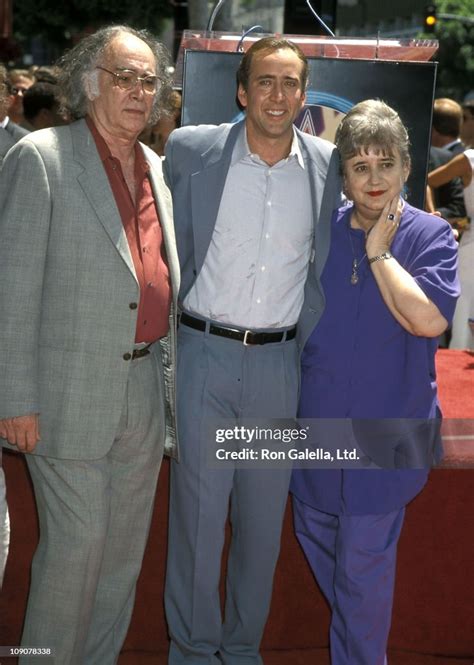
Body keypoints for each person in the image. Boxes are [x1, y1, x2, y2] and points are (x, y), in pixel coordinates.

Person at [0, 25, 179, 664]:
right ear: (88, 83)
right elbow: (11, 289)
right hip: (63, 395)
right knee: (74, 555)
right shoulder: (41, 157)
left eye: (147, 80)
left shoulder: (157, 167)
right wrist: (14, 398)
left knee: (120, 561)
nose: (136, 91)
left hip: (141, 395)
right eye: (122, 76)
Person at [164, 37, 340, 664]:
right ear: (242, 90)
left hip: (276, 368)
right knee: (199, 523)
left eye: (290, 83)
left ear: (304, 94)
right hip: (203, 357)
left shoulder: (329, 165)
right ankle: (191, 653)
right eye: (265, 81)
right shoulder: (190, 151)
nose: (278, 94)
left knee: (262, 530)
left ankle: (241, 652)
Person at [290, 100, 459, 665]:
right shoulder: (320, 233)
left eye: (385, 164)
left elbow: (430, 320)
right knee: (316, 534)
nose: (373, 179)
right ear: (344, 176)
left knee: (360, 576)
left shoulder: (432, 235)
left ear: (406, 167)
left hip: (390, 430)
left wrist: (380, 253)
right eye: (359, 167)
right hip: (313, 427)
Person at [428, 147, 474, 349]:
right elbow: (427, 181)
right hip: (471, 253)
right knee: (464, 321)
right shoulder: (469, 159)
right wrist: (433, 217)